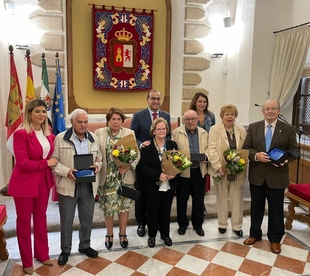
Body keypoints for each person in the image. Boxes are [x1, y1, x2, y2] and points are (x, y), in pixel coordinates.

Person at [242, 99, 298, 254]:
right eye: (267, 109)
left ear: (279, 111)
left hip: (277, 176)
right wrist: (256, 156)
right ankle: (254, 234)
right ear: (263, 111)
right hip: (257, 175)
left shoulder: (288, 129)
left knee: (276, 209)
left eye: (274, 108)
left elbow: (294, 151)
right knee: (256, 208)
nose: (270, 111)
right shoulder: (254, 127)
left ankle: (275, 239)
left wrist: (286, 159)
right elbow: (246, 149)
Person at [8, 99, 57, 275]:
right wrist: (46, 163)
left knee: (41, 218)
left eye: (44, 111)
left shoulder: (48, 134)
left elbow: (54, 155)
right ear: (29, 113)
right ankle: (27, 261)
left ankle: (42, 254)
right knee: (23, 222)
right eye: (37, 111)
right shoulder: (21, 134)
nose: (41, 115)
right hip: (24, 183)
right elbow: (23, 163)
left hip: (43, 182)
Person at [52, 108, 103, 265]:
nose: (83, 125)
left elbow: (99, 158)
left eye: (85, 122)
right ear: (72, 122)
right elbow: (53, 162)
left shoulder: (94, 138)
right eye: (79, 122)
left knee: (87, 218)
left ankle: (85, 245)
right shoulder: (61, 138)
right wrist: (67, 171)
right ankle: (65, 249)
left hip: (88, 185)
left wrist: (97, 165)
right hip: (68, 184)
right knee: (67, 220)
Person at [95, 107, 140, 249]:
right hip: (107, 177)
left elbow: (136, 154)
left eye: (119, 119)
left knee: (123, 207)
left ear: (122, 121)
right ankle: (109, 234)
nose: (116, 121)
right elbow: (97, 153)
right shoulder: (99, 133)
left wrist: (127, 166)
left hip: (124, 176)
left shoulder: (129, 133)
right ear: (108, 120)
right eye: (113, 119)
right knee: (108, 208)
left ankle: (123, 233)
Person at [130, 89, 171, 237]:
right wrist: (142, 144)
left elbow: (169, 136)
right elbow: (131, 135)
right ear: (147, 100)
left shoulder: (166, 116)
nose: (156, 101)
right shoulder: (138, 116)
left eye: (158, 99)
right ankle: (141, 222)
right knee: (143, 195)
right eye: (153, 98)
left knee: (158, 198)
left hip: (162, 161)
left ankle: (159, 223)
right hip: (144, 159)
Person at [136, 118, 179, 248]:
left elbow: (179, 162)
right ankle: (152, 236)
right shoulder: (147, 147)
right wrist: (158, 175)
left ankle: (165, 235)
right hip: (152, 185)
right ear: (153, 131)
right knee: (152, 212)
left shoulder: (172, 145)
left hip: (168, 184)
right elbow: (142, 167)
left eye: (164, 128)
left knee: (166, 211)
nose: (161, 131)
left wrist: (174, 172)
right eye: (159, 129)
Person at [208, 103, 247, 237]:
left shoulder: (241, 130)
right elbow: (211, 149)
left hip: (237, 170)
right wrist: (218, 167)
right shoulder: (214, 129)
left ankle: (237, 226)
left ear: (235, 116)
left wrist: (240, 164)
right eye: (227, 114)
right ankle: (222, 224)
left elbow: (245, 149)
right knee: (222, 198)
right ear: (222, 116)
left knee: (236, 198)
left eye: (232, 114)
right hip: (221, 170)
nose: (229, 117)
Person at [172, 110, 209, 236]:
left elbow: (210, 149)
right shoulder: (177, 132)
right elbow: (173, 151)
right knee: (182, 200)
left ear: (197, 119)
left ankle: (198, 224)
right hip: (183, 173)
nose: (191, 121)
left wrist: (205, 156)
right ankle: (182, 224)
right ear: (184, 120)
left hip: (199, 171)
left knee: (199, 200)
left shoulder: (204, 133)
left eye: (193, 118)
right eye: (188, 119)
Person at [189, 92, 215, 215]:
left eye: (204, 102)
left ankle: (201, 204)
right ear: (195, 102)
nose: (202, 104)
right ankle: (196, 204)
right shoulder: (190, 115)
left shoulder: (211, 116)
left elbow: (214, 133)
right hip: (194, 150)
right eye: (200, 101)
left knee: (203, 179)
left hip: (207, 150)